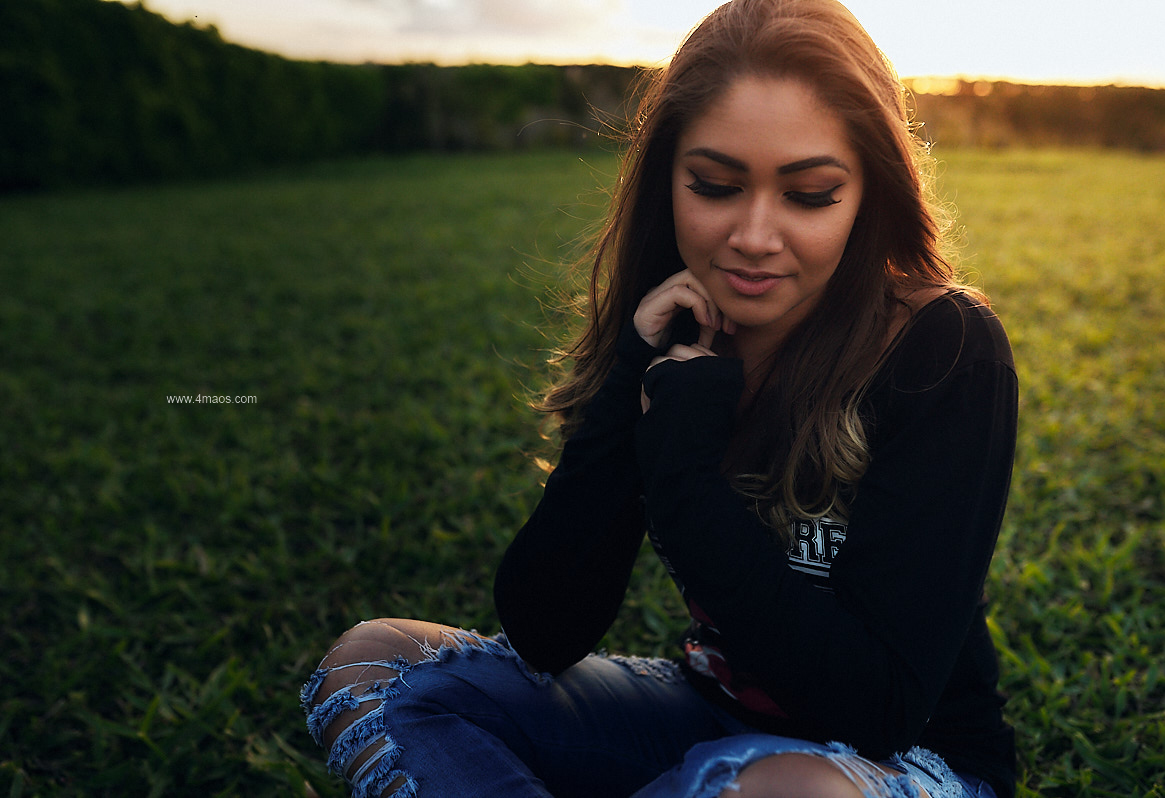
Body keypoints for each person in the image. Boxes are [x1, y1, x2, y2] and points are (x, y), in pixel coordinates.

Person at [300, 0, 1019, 796]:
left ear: (868, 194)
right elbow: (544, 631)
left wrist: (682, 481)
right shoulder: (675, 331)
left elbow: (878, 707)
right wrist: (627, 385)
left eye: (809, 194)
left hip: (906, 760)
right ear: (667, 179)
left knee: (766, 788)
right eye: (715, 185)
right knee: (374, 668)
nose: (753, 234)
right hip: (707, 717)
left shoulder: (943, 346)